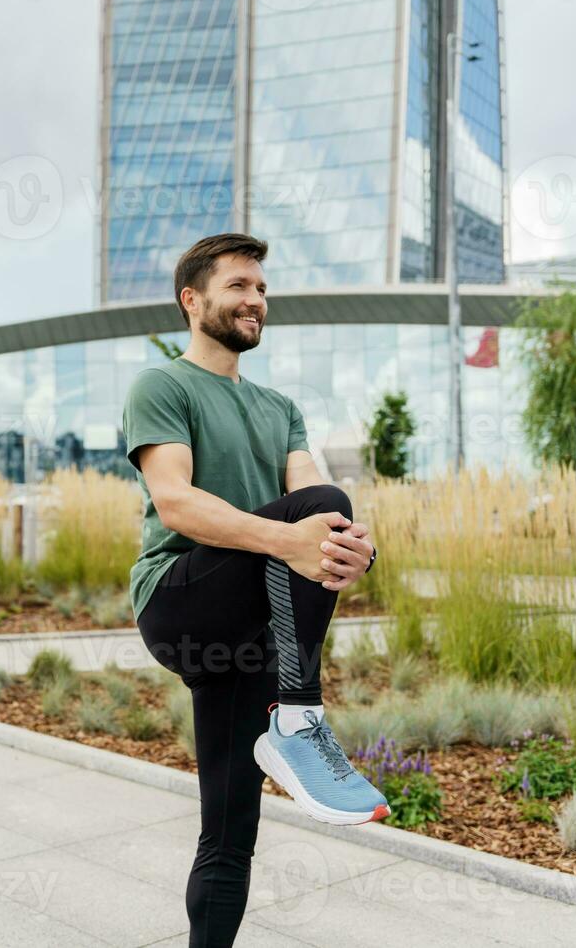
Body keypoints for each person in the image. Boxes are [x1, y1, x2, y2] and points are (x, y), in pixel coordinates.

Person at [123, 233, 387, 947]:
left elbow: (314, 509)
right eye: (239, 286)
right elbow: (174, 503)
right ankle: (298, 718)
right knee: (323, 505)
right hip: (179, 601)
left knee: (230, 830)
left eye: (262, 290)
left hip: (248, 635)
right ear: (193, 299)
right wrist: (296, 538)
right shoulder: (164, 386)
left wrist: (349, 549)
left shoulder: (280, 409)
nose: (255, 301)